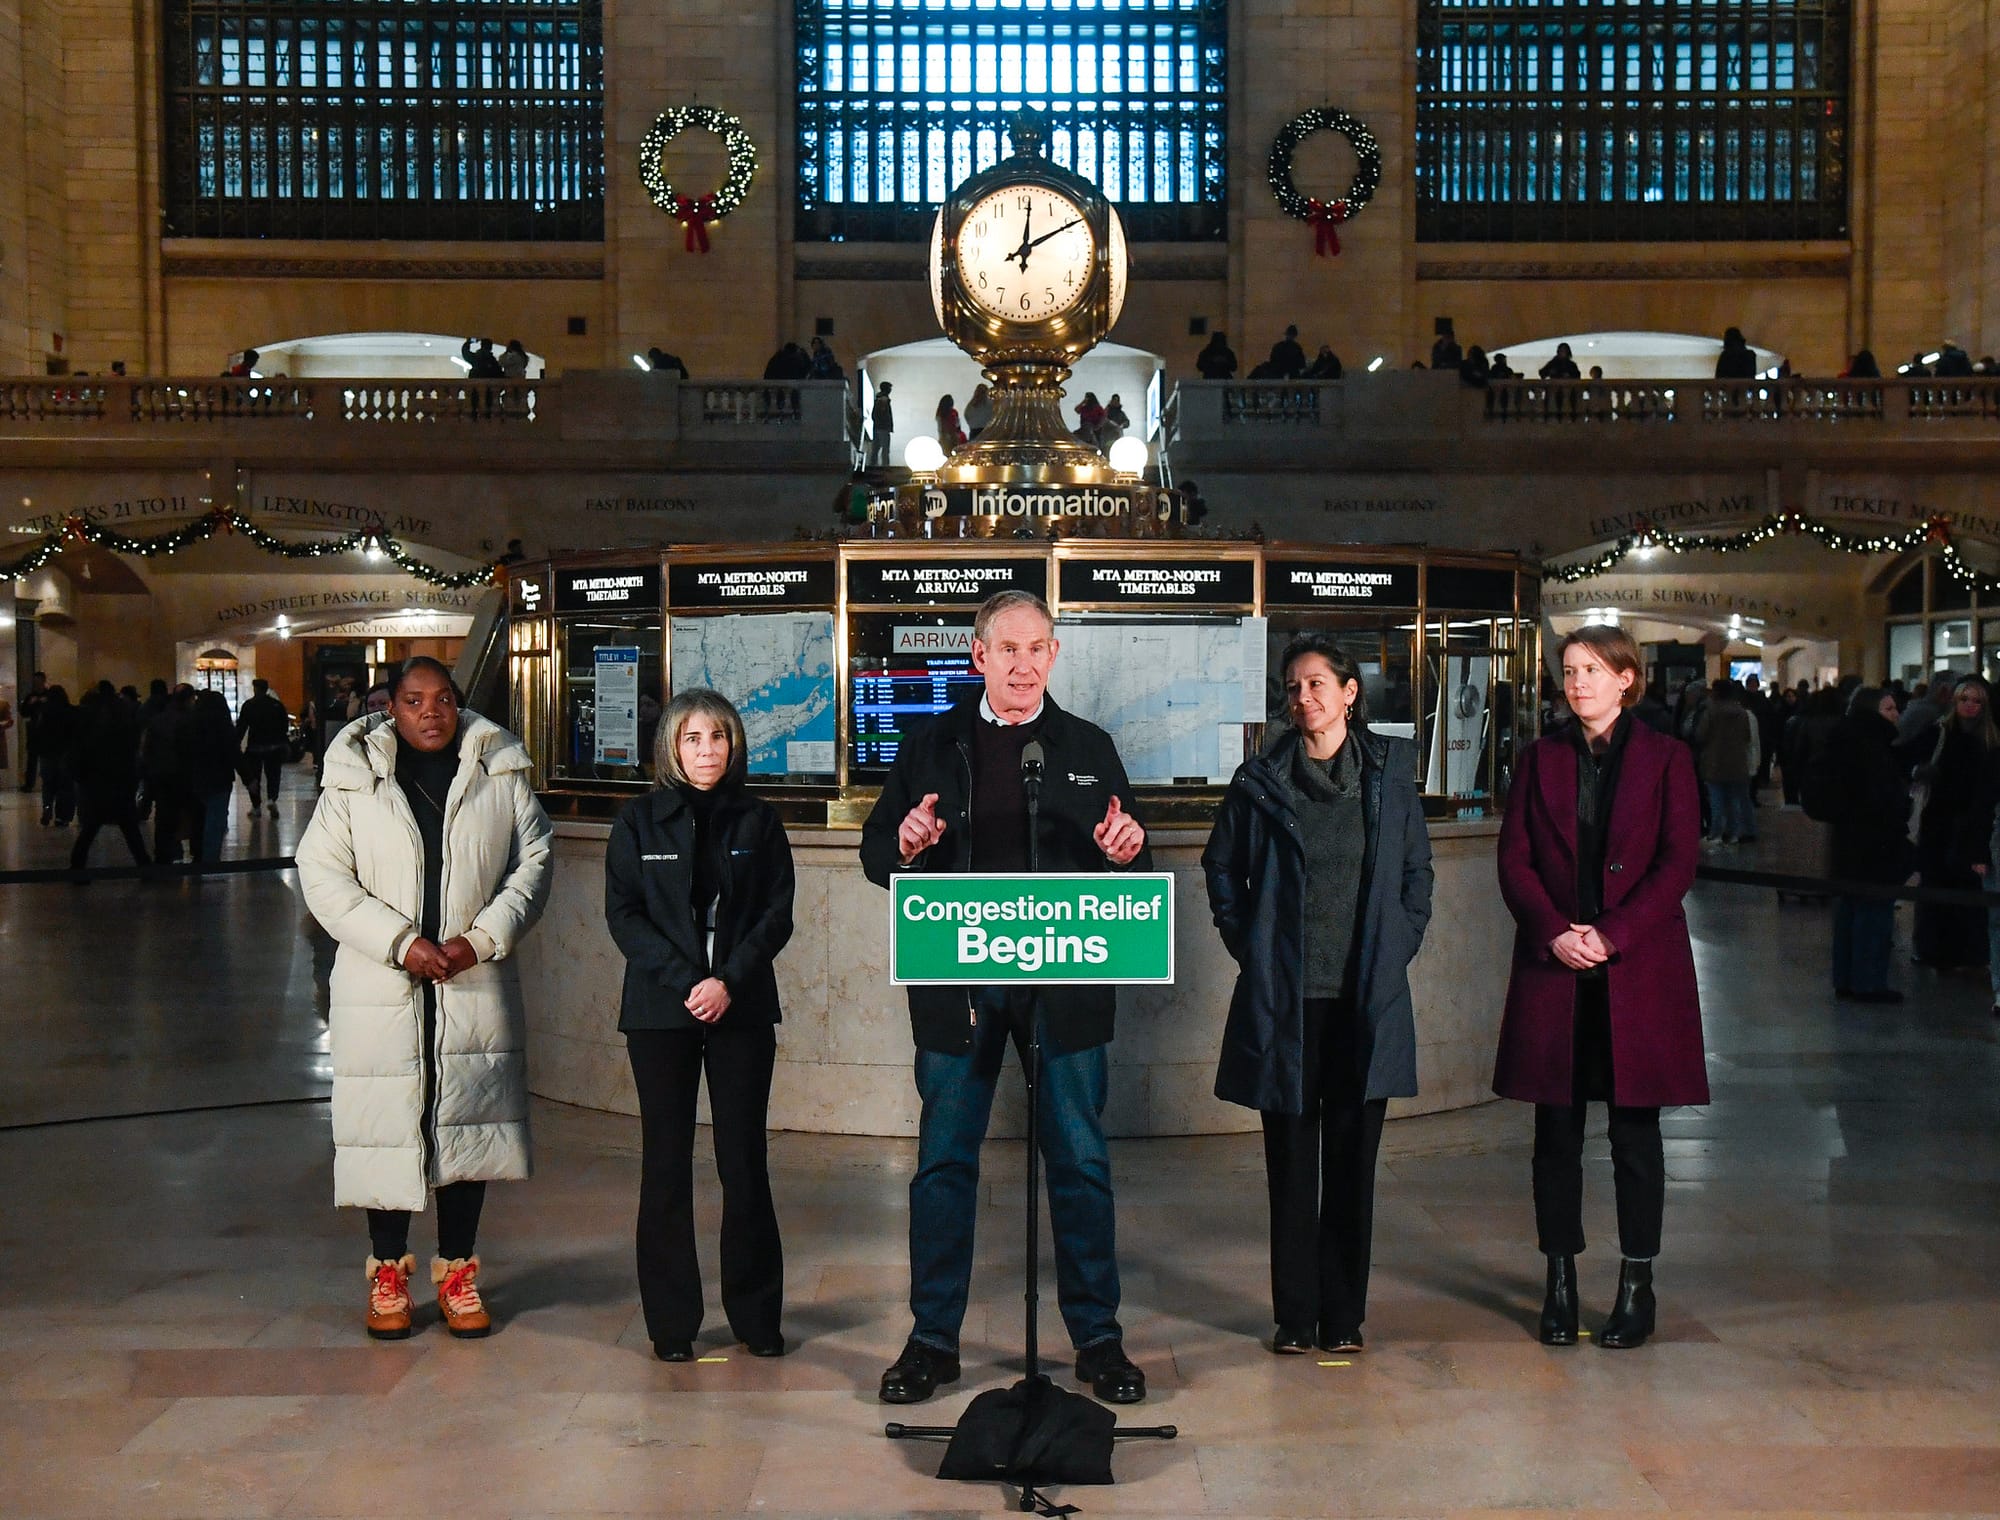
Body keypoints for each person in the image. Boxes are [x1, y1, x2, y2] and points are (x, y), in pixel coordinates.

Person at [860, 590, 1151, 1407]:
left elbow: (1133, 844)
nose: (1024, 666)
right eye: (1007, 650)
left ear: (1054, 657)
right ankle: (932, 1340)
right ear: (978, 657)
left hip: (1066, 980)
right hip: (960, 983)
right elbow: (878, 850)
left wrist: (1126, 851)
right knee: (944, 1161)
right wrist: (907, 845)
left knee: (1081, 1159)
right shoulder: (930, 743)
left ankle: (1098, 1339)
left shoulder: (1088, 746)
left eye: (1038, 650)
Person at [296, 656, 554, 1340]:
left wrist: (482, 938)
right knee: (389, 1123)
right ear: (392, 707)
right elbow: (321, 874)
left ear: (457, 703)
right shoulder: (353, 779)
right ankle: (388, 1271)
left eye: (442, 698)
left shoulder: (499, 770)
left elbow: (534, 862)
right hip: (383, 985)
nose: (431, 712)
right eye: (414, 700)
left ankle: (460, 1269)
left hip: (471, 980)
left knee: (466, 1121)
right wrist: (400, 941)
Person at [1202, 635, 1433, 1355]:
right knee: (1293, 1168)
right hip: (1288, 1007)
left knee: (1353, 1168)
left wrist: (1393, 952)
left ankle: (1345, 1319)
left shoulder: (1391, 773)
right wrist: (1257, 951)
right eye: (1294, 688)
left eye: (1317, 685)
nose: (1305, 698)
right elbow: (1222, 874)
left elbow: (1416, 878)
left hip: (1365, 1001)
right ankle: (1296, 1318)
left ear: (1350, 692)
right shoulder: (1259, 779)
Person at [1496, 624, 1706, 1353]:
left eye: (1592, 669)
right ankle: (1560, 1281)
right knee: (1553, 1134)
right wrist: (1555, 929)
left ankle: (1636, 1284)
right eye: (1569, 670)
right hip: (1555, 966)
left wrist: (1611, 934)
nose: (1577, 681)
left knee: (1634, 1136)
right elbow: (1515, 859)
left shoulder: (1667, 758)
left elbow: (1678, 861)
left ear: (1626, 679)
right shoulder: (1540, 757)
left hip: (1635, 968)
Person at [604, 689, 795, 1362]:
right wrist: (690, 983)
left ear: (734, 744)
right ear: (671, 749)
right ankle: (672, 1324)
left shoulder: (759, 820)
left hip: (741, 1007)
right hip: (662, 1011)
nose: (707, 749)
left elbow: (777, 914)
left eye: (718, 736)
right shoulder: (638, 823)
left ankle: (757, 1317)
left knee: (745, 1162)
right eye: (692, 738)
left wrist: (727, 983)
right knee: (665, 1164)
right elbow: (624, 916)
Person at [1813, 687, 1911, 1003]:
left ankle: (1846, 978)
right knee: (1873, 914)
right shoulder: (1873, 746)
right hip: (1875, 844)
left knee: (1849, 913)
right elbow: (1882, 798)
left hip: (1849, 842)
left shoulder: (1843, 739)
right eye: (1889, 709)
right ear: (1872, 712)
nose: (1896, 714)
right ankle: (1868, 982)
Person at [1903, 674, 2000, 968]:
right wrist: (1920, 771)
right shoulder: (1939, 733)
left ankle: (1967, 952)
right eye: (1964, 700)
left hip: (1974, 825)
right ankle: (1934, 949)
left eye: (1976, 701)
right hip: (1940, 823)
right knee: (1937, 886)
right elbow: (1906, 757)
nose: (1970, 706)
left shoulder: (1990, 740)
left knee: (1969, 890)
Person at [67, 682, 149, 875]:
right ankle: (145, 866)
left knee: (90, 827)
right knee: (129, 827)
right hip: (120, 778)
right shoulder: (123, 715)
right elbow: (132, 745)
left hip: (95, 780)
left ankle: (77, 868)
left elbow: (79, 749)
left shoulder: (87, 717)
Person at [1695, 680, 1757, 844]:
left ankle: (1716, 832)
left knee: (1716, 800)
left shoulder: (1711, 712)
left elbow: (1701, 734)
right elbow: (1747, 736)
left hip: (1714, 762)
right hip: (1738, 762)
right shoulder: (1741, 712)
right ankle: (1735, 832)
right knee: (1736, 799)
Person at [142, 686, 197, 863]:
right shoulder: (189, 720)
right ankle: (182, 851)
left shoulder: (157, 720)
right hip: (182, 774)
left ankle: (164, 854)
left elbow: (147, 748)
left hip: (159, 773)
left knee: (163, 816)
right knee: (185, 813)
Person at [189, 688, 240, 865]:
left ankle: (198, 857)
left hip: (197, 778)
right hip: (220, 779)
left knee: (198, 821)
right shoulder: (224, 727)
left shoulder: (192, 724)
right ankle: (210, 861)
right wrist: (249, 779)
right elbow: (234, 754)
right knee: (215, 821)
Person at [237, 677, 290, 817]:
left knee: (254, 777)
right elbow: (284, 726)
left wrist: (236, 743)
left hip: (255, 747)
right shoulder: (276, 705)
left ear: (255, 689)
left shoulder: (249, 705)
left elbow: (242, 726)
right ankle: (272, 799)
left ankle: (256, 806)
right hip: (274, 747)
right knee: (273, 775)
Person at [36, 685, 78, 827]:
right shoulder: (71, 711)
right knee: (65, 786)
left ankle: (47, 807)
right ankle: (62, 817)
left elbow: (38, 732)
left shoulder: (44, 711)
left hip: (47, 753)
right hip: (65, 753)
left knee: (48, 784)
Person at [18, 671, 49, 792]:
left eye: (38, 681)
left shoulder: (49, 695)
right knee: (32, 759)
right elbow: (24, 712)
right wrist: (31, 704)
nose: (36, 684)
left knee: (45, 759)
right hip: (34, 732)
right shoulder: (31, 696)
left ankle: (47, 781)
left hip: (45, 731)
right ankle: (29, 784)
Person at [867, 381, 895, 468]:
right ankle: (885, 466)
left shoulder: (878, 399)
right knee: (885, 449)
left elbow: (874, 415)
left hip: (877, 428)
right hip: (883, 428)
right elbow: (884, 415)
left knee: (875, 449)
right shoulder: (884, 400)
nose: (890, 390)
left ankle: (873, 465)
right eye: (889, 388)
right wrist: (886, 425)